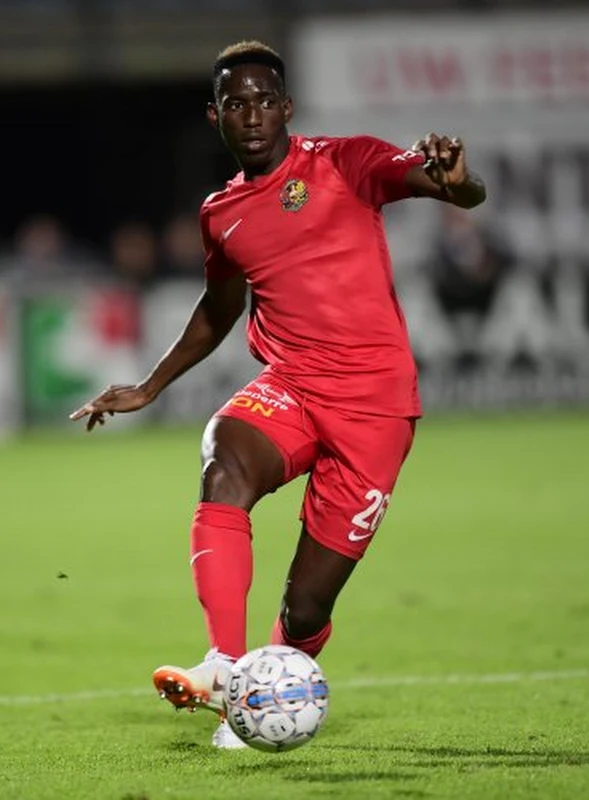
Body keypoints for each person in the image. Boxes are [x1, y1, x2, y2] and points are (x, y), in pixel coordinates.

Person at [69, 41, 486, 749]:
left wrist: (457, 180)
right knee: (223, 460)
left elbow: (450, 187)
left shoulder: (345, 162)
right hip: (291, 386)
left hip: (376, 411)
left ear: (287, 107)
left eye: (265, 99)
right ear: (216, 117)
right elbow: (218, 308)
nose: (253, 114)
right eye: (237, 103)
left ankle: (265, 687)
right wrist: (149, 385)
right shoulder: (221, 214)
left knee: (305, 608)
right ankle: (226, 666)